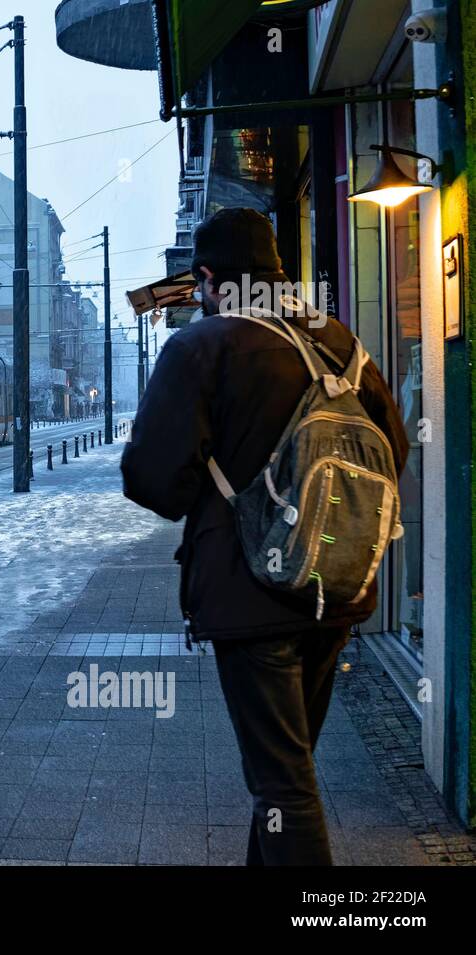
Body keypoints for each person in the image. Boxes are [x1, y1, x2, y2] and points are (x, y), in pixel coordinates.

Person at [120, 207, 408, 866]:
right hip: (336, 590)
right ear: (277, 272)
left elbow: (152, 479)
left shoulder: (202, 346)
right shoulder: (339, 341)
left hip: (253, 598)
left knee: (284, 786)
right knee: (287, 768)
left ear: (210, 277)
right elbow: (393, 451)